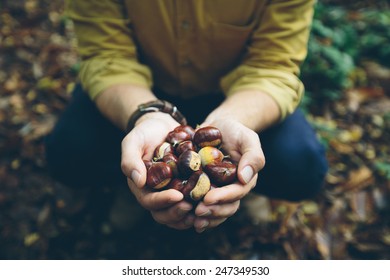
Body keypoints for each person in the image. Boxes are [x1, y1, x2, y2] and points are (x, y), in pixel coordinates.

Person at [45, 0, 328, 233]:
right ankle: (131, 178)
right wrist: (147, 116)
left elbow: (273, 66)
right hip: (138, 91)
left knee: (302, 165)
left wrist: (235, 118)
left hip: (236, 96)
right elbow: (107, 57)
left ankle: (245, 183)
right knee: (68, 152)